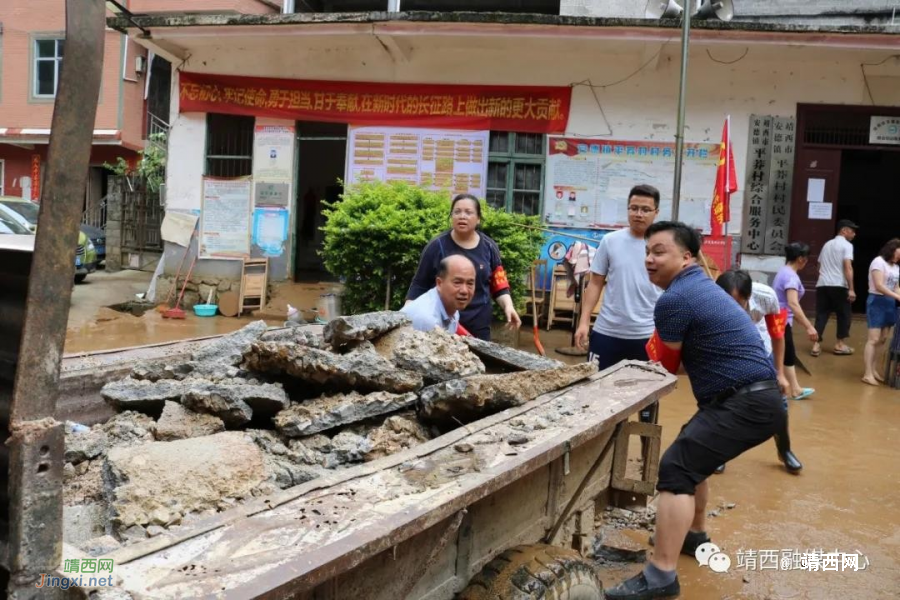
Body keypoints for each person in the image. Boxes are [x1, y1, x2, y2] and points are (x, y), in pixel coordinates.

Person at [606, 222, 784, 600]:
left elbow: (667, 369)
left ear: (687, 257)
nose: (650, 260)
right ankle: (694, 535)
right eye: (647, 253)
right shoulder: (701, 288)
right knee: (693, 452)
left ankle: (661, 577)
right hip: (758, 399)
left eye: (659, 252)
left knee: (676, 469)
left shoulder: (674, 300)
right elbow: (690, 360)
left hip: (745, 402)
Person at [575, 184, 662, 423]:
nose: (638, 214)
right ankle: (602, 456)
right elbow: (595, 284)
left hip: (647, 337)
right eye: (634, 208)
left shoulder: (663, 247)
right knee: (596, 398)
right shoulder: (611, 241)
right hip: (607, 334)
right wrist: (584, 322)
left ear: (656, 212)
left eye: (645, 209)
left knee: (647, 404)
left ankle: (646, 457)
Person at [715, 270, 803, 474]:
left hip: (761, 348)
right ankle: (718, 453)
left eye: (737, 303)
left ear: (748, 296)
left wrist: (780, 373)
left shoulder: (767, 296)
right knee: (720, 401)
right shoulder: (710, 299)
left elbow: (777, 334)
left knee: (778, 403)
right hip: (728, 350)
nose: (731, 308)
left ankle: (785, 450)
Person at [407, 194, 521, 341]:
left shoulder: (489, 247)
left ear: (478, 218)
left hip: (479, 323)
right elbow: (419, 284)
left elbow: (499, 284)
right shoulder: (437, 246)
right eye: (457, 212)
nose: (462, 216)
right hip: (442, 323)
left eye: (468, 212)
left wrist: (508, 306)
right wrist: (407, 315)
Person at [773, 242, 818, 399]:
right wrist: (809, 326)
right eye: (806, 258)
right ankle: (792, 389)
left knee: (786, 355)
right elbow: (793, 303)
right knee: (785, 355)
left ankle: (794, 388)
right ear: (801, 259)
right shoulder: (791, 277)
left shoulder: (784, 271)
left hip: (780, 319)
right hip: (781, 320)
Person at [812, 219, 859, 357]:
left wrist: (823, 278)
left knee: (821, 315)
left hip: (823, 284)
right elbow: (848, 267)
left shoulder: (827, 244)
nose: (854, 234)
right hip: (839, 284)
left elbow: (819, 266)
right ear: (844, 230)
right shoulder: (847, 245)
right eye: (852, 230)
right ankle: (840, 344)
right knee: (844, 314)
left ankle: (816, 345)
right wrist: (851, 288)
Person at [401, 255, 476, 335]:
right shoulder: (428, 319)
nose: (464, 291)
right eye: (457, 282)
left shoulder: (451, 307)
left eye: (470, 283)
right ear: (439, 283)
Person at [862, 238, 900, 386]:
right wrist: (897, 296)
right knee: (873, 338)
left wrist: (898, 294)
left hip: (889, 302)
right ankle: (867, 373)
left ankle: (874, 369)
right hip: (877, 301)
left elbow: (896, 286)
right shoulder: (878, 262)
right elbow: (878, 285)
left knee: (883, 338)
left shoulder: (896, 267)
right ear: (893, 249)